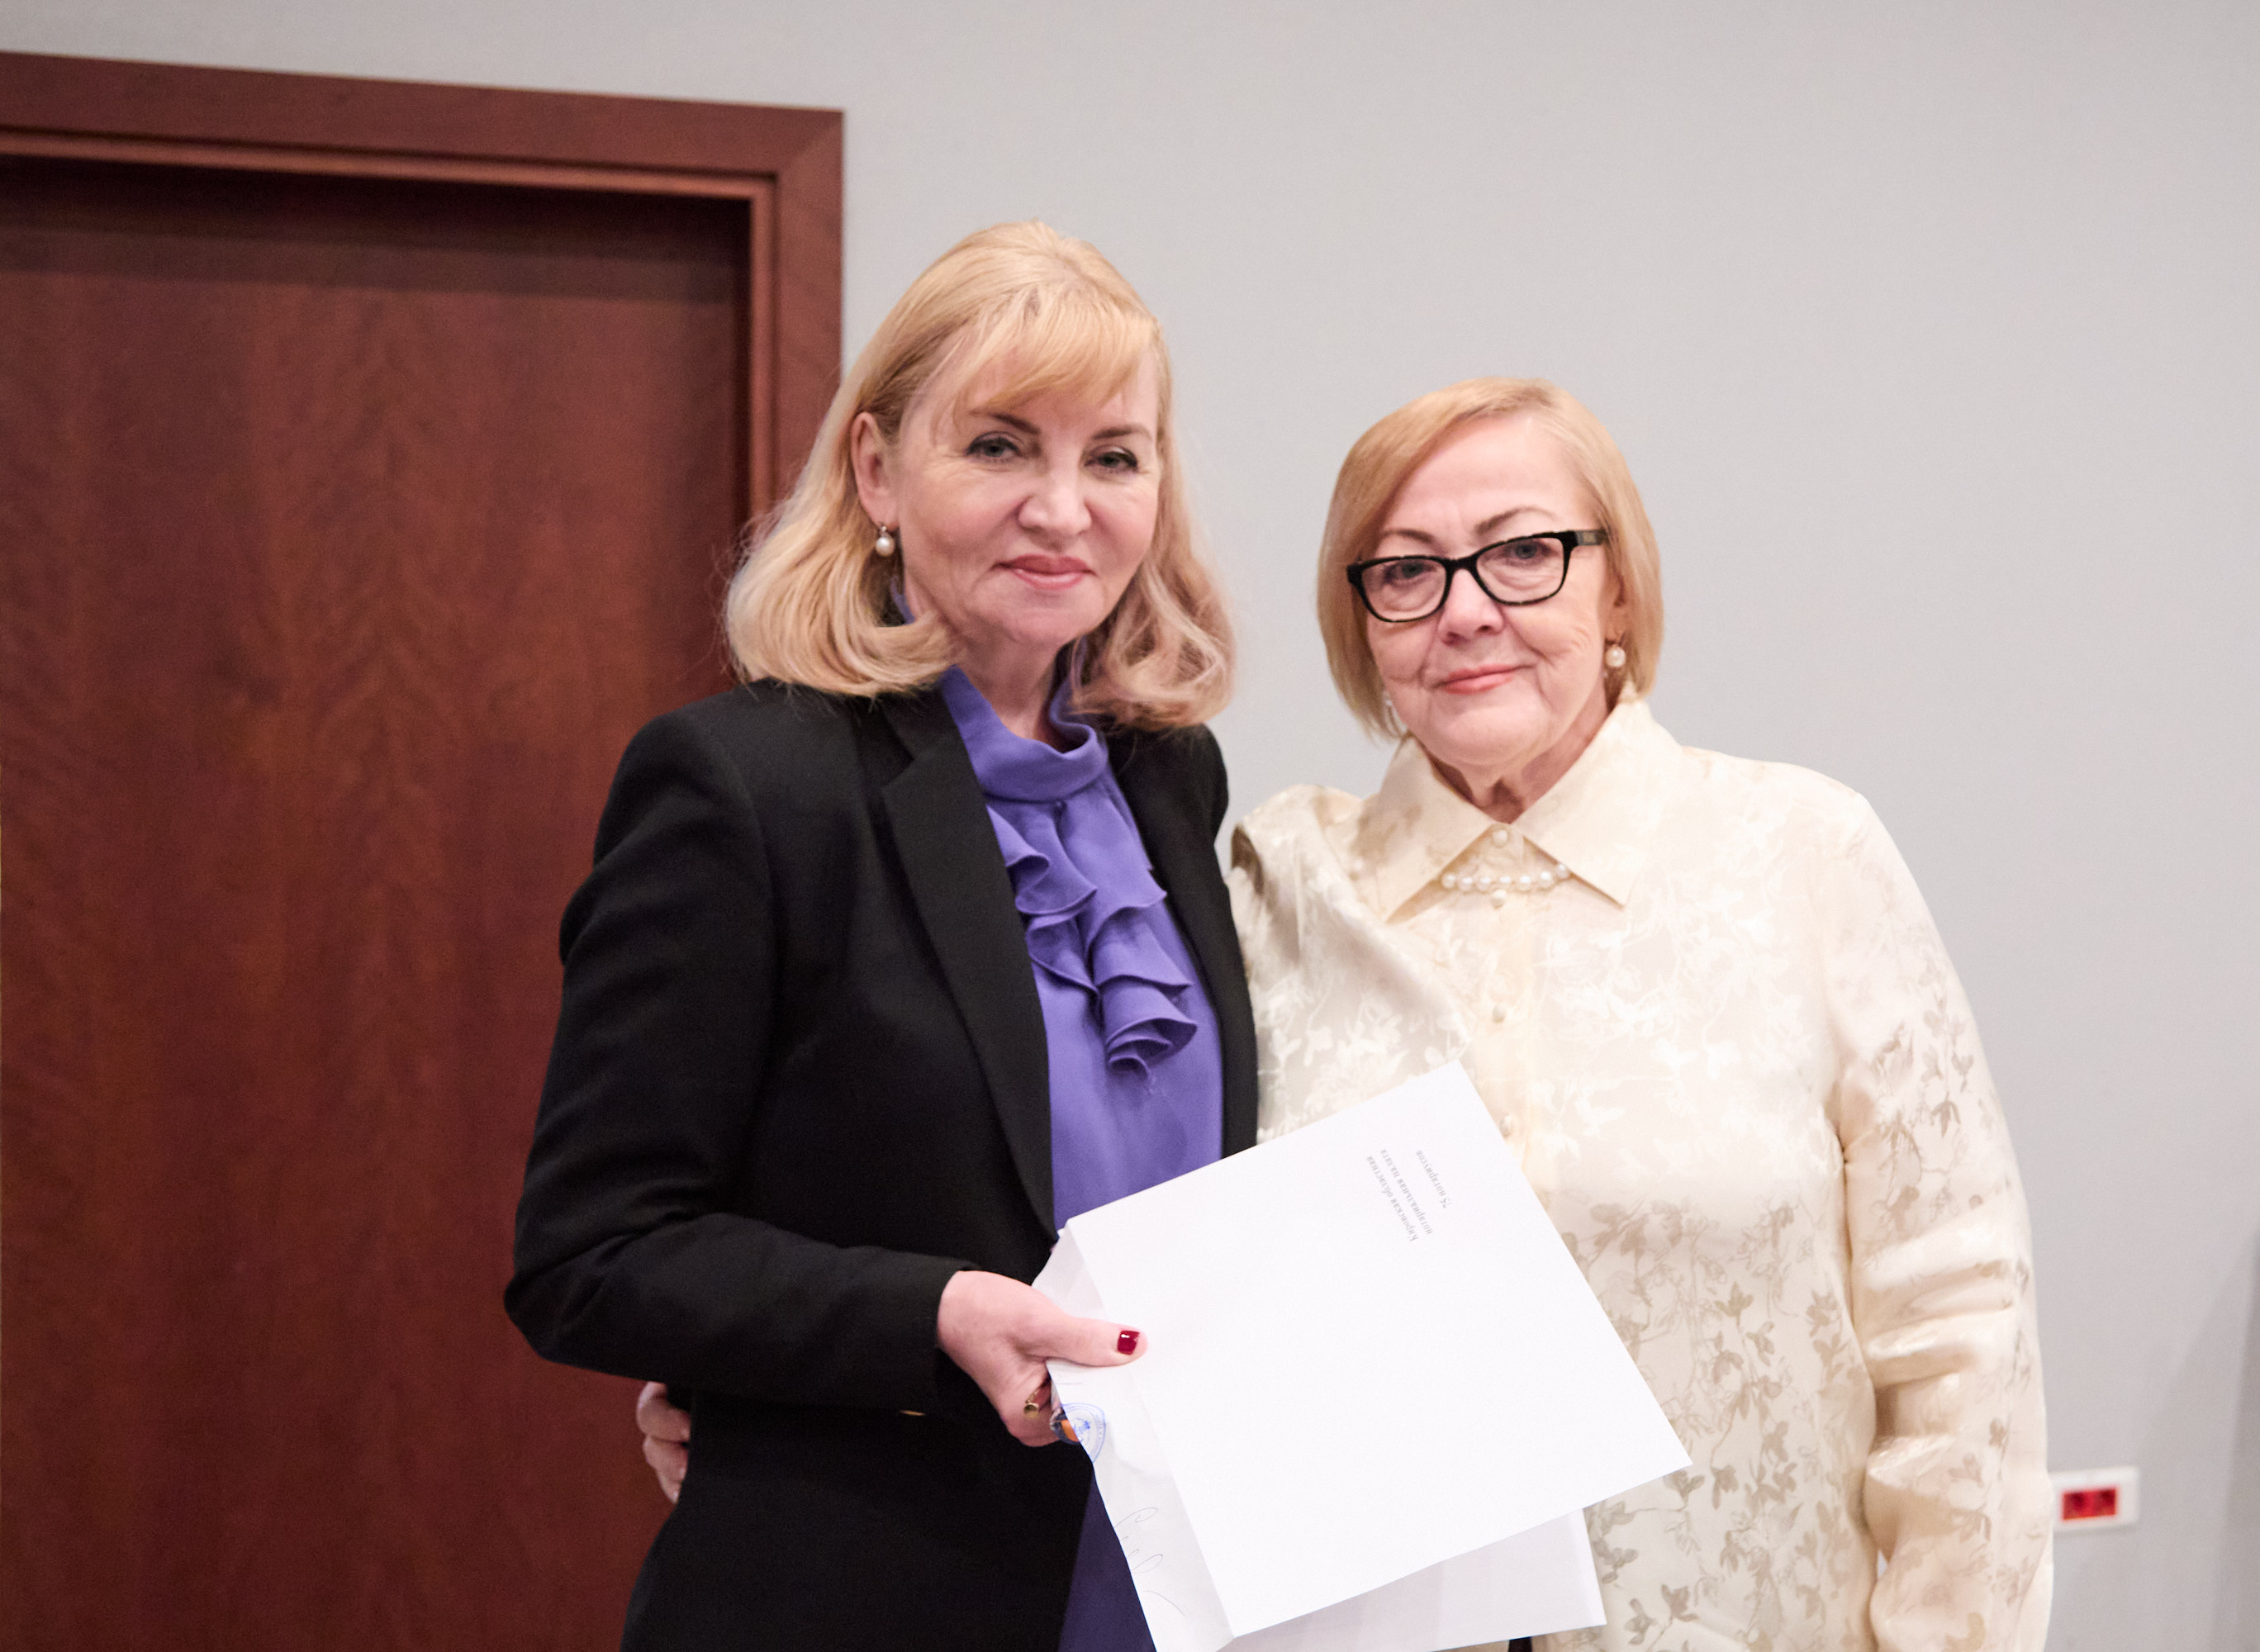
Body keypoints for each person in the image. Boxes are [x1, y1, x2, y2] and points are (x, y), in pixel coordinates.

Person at [507, 221, 1256, 1651]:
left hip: (1170, 1588)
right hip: (866, 1593)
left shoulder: (1170, 777)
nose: (1062, 509)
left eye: (1114, 456)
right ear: (875, 471)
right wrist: (932, 1315)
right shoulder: (746, 785)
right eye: (998, 446)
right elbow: (592, 1254)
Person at [1228, 377, 2052, 1651]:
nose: (1465, 611)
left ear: (1618, 589)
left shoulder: (1805, 854)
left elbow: (1959, 1326)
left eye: (1523, 552)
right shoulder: (1276, 884)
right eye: (1406, 572)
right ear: (1363, 624)